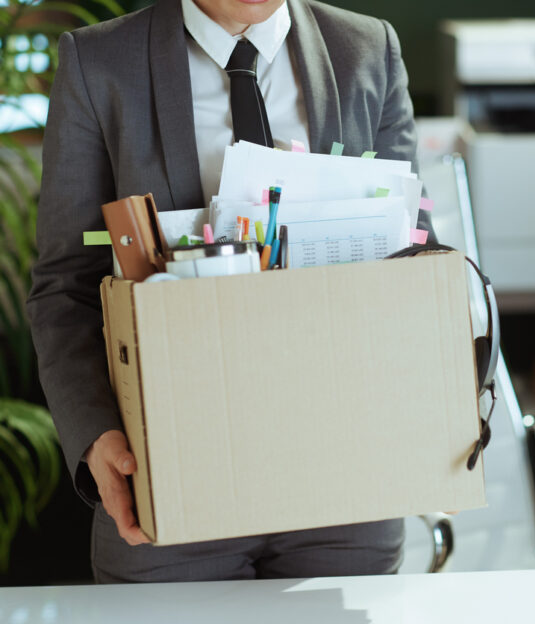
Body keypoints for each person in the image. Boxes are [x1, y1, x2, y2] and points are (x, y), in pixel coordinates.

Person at [27, 0, 433, 583]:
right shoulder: (99, 63)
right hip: (170, 477)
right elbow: (65, 283)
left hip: (346, 485)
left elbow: (413, 247)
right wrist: (94, 436)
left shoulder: (367, 50)